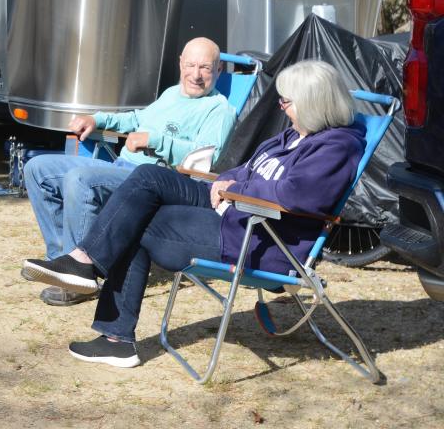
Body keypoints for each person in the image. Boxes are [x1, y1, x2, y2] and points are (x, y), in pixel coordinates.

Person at [21, 60, 364, 369]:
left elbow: (296, 194)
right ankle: (84, 261)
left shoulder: (336, 146)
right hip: (232, 209)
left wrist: (236, 190)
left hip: (257, 238)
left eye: (286, 102)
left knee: (136, 223)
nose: (281, 107)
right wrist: (229, 181)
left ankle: (114, 336)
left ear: (313, 105)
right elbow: (247, 169)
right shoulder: (292, 135)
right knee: (147, 179)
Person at [23, 37, 235, 306]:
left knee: (81, 179)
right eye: (191, 64)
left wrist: (156, 140)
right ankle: (60, 262)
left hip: (152, 182)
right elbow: (135, 119)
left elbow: (206, 157)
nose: (196, 75)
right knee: (37, 168)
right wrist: (96, 118)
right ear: (180, 62)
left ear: (218, 70)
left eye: (205, 68)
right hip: (119, 168)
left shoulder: (220, 110)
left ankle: (83, 274)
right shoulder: (172, 94)